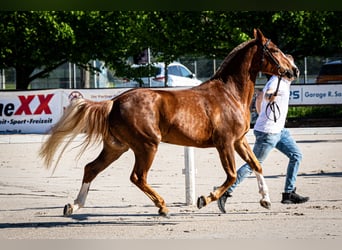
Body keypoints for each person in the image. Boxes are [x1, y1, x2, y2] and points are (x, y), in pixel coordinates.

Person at [216, 55, 309, 213]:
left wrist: (261, 114)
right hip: (269, 133)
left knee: (296, 155)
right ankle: (225, 191)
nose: (294, 70)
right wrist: (269, 98)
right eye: (291, 67)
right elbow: (266, 94)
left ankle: (288, 193)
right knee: (253, 165)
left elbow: (259, 97)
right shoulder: (276, 81)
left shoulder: (284, 82)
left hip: (279, 130)